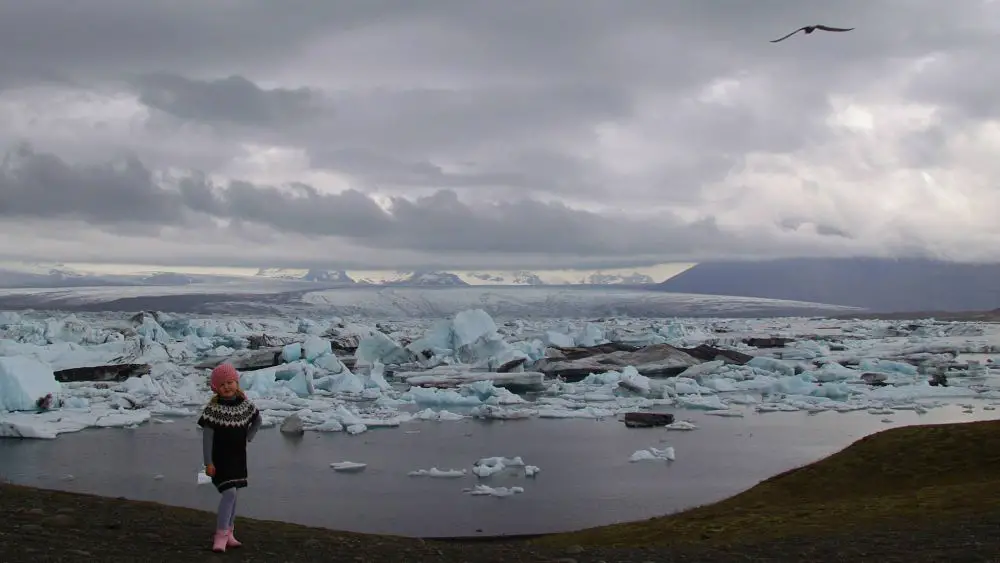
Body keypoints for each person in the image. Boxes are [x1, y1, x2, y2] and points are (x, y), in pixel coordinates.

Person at [197, 363, 262, 552]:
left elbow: (258, 420)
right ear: (216, 387)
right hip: (220, 460)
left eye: (230, 382)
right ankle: (220, 534)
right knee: (229, 493)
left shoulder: (245, 406)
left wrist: (249, 436)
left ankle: (230, 533)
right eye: (223, 384)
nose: (227, 386)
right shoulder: (213, 409)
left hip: (238, 458)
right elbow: (207, 438)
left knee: (235, 496)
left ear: (236, 382)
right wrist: (208, 462)